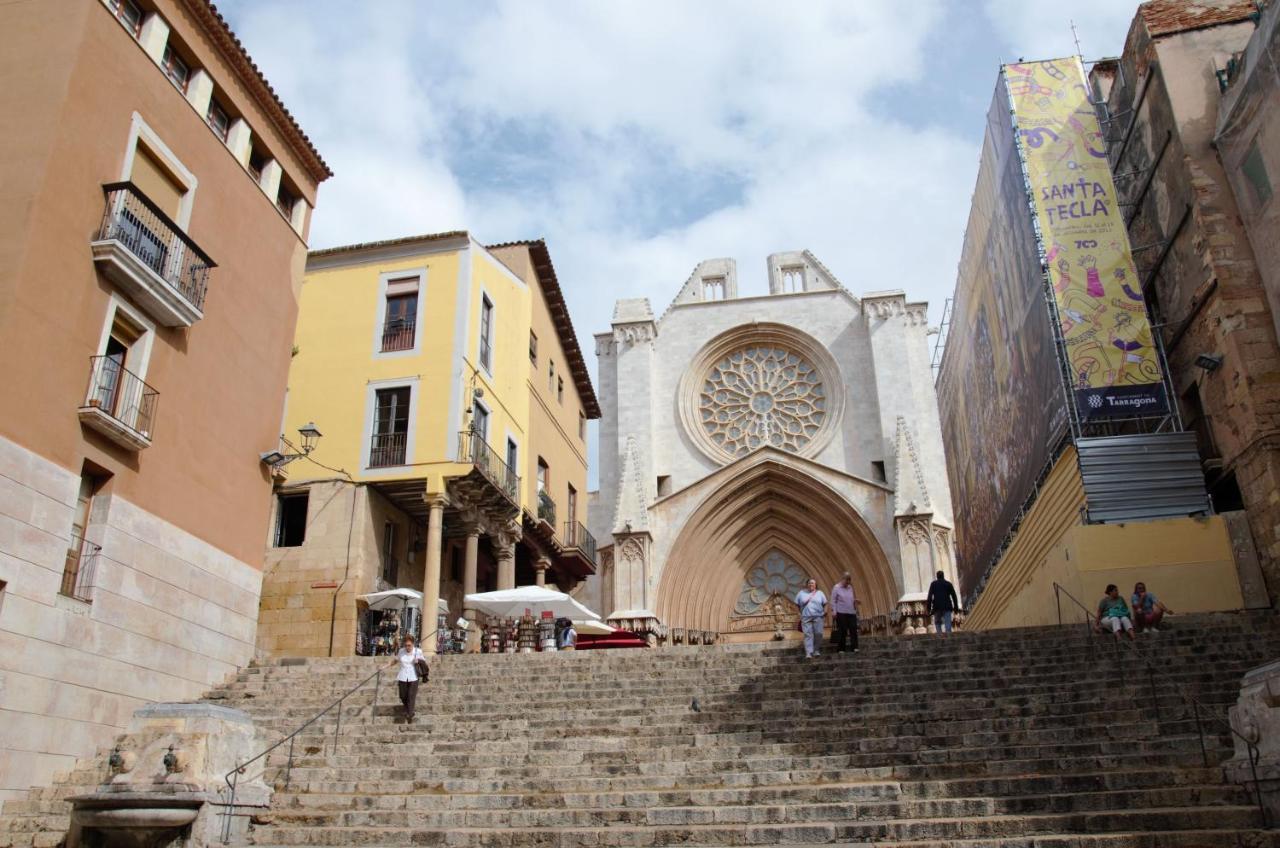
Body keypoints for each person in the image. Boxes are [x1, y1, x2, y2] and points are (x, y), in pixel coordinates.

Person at [394, 634, 426, 722]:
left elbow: (424, 661)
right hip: (402, 676)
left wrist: (418, 660)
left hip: (414, 676)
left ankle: (410, 713)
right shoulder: (401, 651)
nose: (407, 647)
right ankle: (408, 709)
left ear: (413, 644)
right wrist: (385, 666)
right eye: (406, 645)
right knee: (403, 695)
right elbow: (396, 660)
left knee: (411, 696)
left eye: (409, 645)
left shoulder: (418, 651)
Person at [795, 578, 828, 659]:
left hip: (818, 616)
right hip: (806, 617)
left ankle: (816, 650)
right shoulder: (801, 593)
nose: (811, 585)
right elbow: (796, 604)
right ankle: (809, 652)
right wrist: (799, 613)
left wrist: (825, 612)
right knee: (808, 634)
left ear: (815, 585)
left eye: (812, 583)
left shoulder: (820, 593)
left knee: (819, 633)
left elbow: (826, 603)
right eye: (809, 583)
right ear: (807, 584)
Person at [830, 573, 860, 653]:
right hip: (841, 612)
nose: (848, 584)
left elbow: (850, 598)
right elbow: (833, 600)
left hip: (851, 612)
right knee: (842, 630)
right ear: (843, 579)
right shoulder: (836, 588)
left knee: (853, 629)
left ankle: (855, 647)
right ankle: (841, 648)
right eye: (846, 582)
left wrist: (855, 601)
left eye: (849, 582)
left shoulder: (850, 587)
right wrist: (834, 611)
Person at [926, 570, 959, 634]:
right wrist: (956, 607)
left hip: (937, 606)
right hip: (947, 606)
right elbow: (954, 596)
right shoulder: (948, 584)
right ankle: (948, 635)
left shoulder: (933, 584)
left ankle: (939, 634)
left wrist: (928, 608)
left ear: (937, 576)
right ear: (943, 576)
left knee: (938, 622)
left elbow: (929, 597)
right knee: (947, 622)